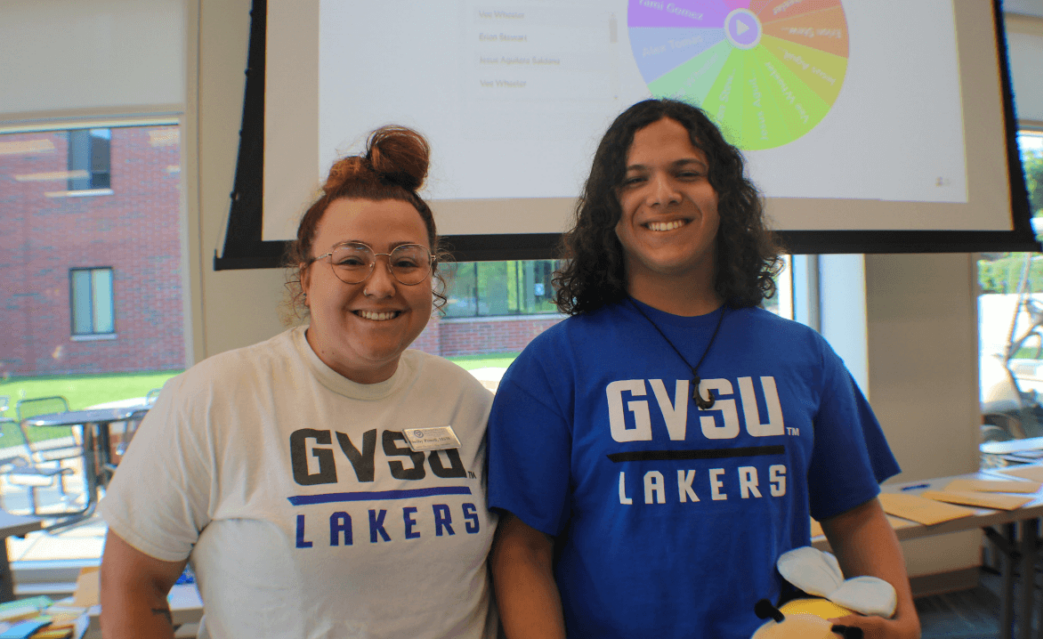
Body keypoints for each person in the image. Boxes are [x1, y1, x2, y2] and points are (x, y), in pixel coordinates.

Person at [487, 99, 921, 639]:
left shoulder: (805, 355)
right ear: (609, 212)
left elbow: (855, 513)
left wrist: (902, 622)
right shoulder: (552, 366)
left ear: (724, 199)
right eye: (633, 179)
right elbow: (523, 549)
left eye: (687, 173)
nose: (662, 194)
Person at [99, 126, 498, 639]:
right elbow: (132, 584)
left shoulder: (464, 401)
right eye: (352, 260)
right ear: (306, 279)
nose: (381, 284)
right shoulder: (213, 399)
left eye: (405, 262)